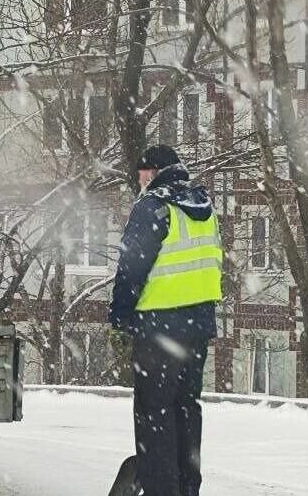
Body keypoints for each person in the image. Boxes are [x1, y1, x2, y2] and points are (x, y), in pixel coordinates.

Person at [108, 144, 222, 496]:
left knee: (153, 411)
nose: (139, 180)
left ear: (153, 171)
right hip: (197, 326)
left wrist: (121, 313)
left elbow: (132, 267)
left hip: (160, 326)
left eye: (142, 172)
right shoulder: (203, 205)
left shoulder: (153, 206)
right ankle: (187, 487)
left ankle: (161, 489)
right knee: (186, 407)